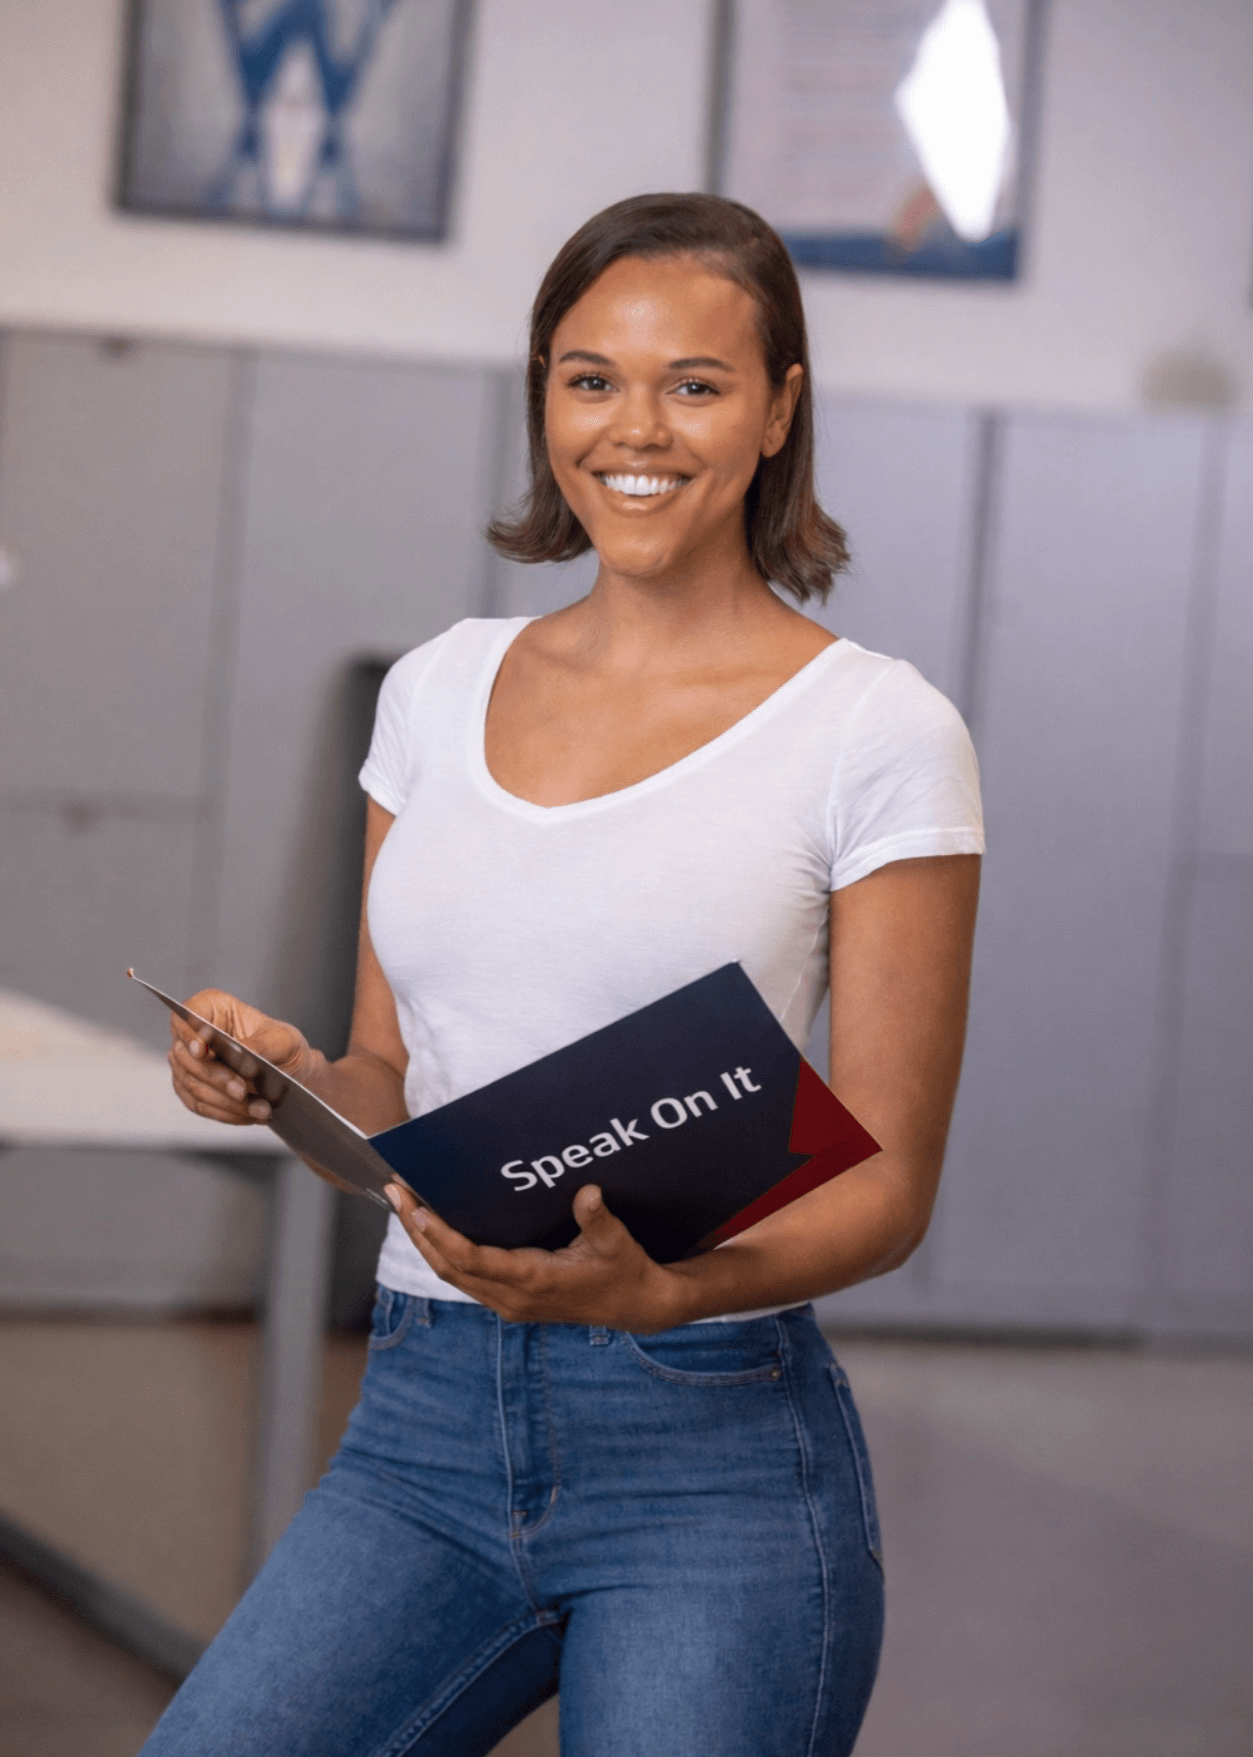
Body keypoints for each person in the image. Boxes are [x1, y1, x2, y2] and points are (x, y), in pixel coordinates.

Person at [145, 192, 983, 1756]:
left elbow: (885, 1188)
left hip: (708, 1448)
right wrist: (282, 1083)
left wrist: (666, 1291)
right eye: (590, 377)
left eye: (696, 382)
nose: (633, 429)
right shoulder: (437, 689)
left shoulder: (876, 732)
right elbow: (390, 1086)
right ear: (543, 394)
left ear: (780, 405)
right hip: (423, 1425)